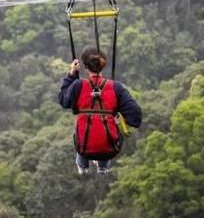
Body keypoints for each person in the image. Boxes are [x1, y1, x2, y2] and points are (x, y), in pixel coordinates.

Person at [58, 47, 142, 175]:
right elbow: (135, 115)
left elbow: (64, 100)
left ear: (85, 67)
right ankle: (102, 168)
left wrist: (72, 75)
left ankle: (82, 166)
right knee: (106, 133)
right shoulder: (115, 87)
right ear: (103, 66)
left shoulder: (78, 85)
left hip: (84, 148)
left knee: (82, 129)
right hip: (110, 149)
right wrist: (120, 114)